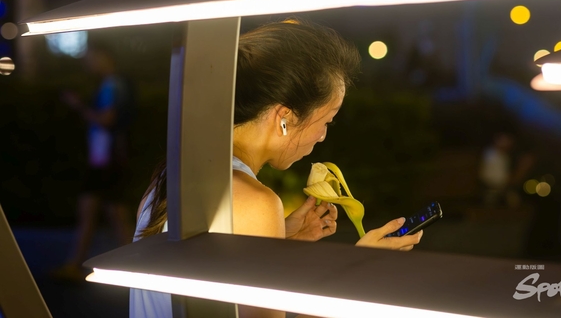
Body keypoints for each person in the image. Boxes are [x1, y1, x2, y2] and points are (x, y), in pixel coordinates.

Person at [130, 20, 424, 318]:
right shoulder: (256, 203)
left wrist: (280, 244)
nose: (323, 135)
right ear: (285, 117)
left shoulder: (170, 176)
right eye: (326, 120)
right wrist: (360, 270)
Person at [52, 44, 135, 282]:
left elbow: (107, 119)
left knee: (111, 212)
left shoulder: (113, 84)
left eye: (90, 58)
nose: (87, 63)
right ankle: (77, 264)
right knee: (102, 211)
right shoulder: (113, 84)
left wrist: (78, 105)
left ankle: (79, 265)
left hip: (106, 159)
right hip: (104, 159)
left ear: (103, 57)